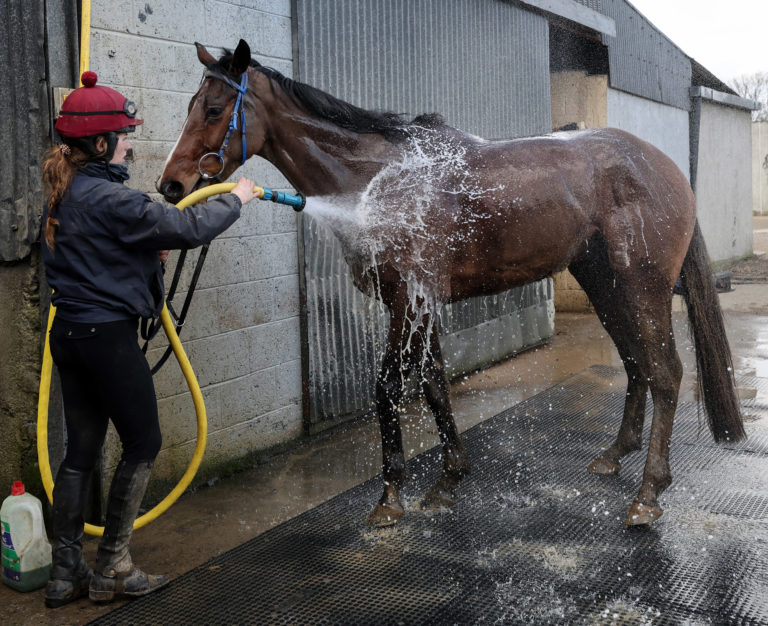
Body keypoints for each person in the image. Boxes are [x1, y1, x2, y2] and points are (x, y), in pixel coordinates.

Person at [41, 71, 257, 607]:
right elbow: (186, 229)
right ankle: (112, 567)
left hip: (69, 336)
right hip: (107, 340)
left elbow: (89, 255)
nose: (131, 143)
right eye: (125, 135)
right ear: (100, 144)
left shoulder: (63, 195)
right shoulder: (114, 201)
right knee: (144, 442)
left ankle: (65, 573)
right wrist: (237, 198)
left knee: (79, 454)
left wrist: (141, 254)